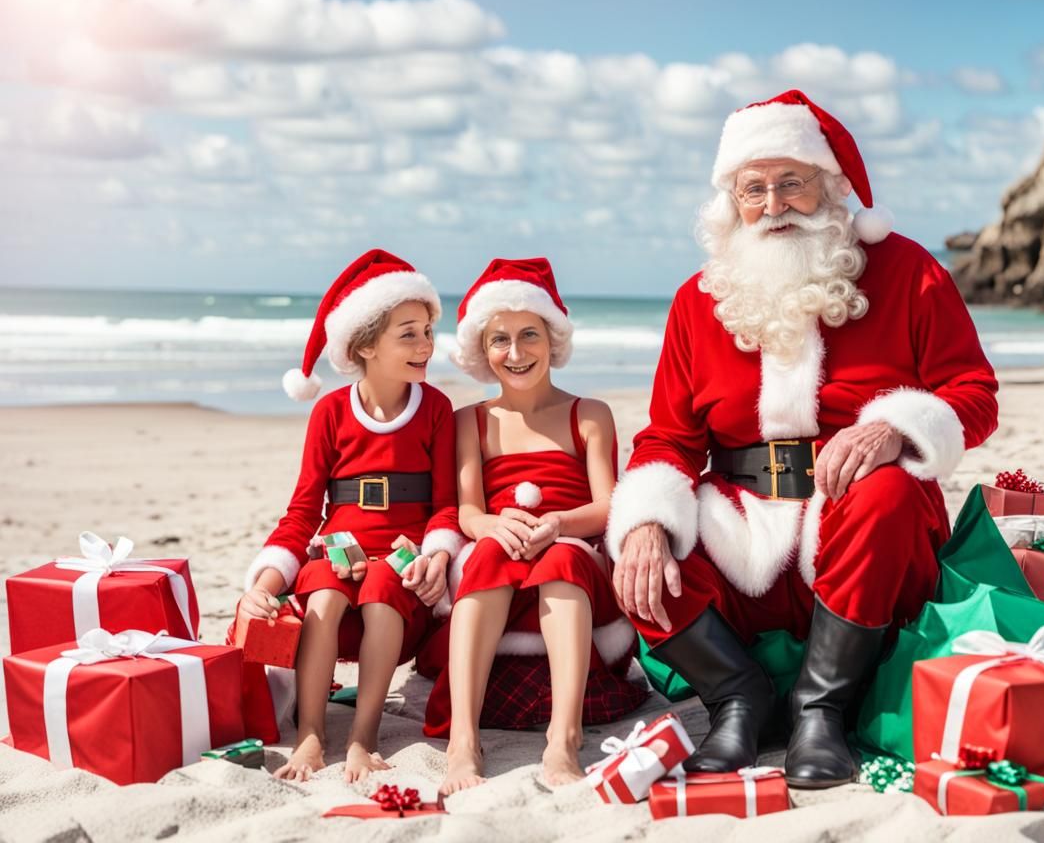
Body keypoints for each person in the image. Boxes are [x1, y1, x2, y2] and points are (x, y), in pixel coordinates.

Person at [605, 90, 999, 788]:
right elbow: (668, 436)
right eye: (753, 188)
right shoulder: (699, 300)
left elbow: (972, 395)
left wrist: (893, 428)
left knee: (889, 495)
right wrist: (645, 525)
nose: (774, 202)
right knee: (644, 547)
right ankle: (738, 701)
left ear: (832, 186)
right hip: (742, 527)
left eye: (792, 181)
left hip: (859, 526)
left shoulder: (906, 270)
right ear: (732, 202)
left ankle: (822, 712)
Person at [239, 249, 464, 782]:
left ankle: (363, 735)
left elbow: (445, 508)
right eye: (408, 333)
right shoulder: (330, 412)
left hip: (403, 570)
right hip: (334, 560)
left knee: (385, 585)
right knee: (323, 589)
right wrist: (265, 582)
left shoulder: (435, 411)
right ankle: (312, 733)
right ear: (365, 346)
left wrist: (435, 555)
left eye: (429, 330)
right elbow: (301, 512)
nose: (426, 344)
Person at [424, 257, 642, 795]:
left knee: (565, 555)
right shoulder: (468, 421)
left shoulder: (589, 414)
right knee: (488, 555)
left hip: (570, 555)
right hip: (501, 553)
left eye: (529, 336)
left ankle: (563, 738)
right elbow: (468, 510)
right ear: (482, 348)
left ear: (553, 340)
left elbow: (607, 504)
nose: (516, 354)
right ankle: (462, 742)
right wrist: (493, 526)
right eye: (500, 340)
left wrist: (558, 523)